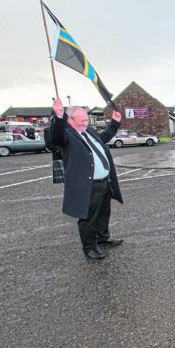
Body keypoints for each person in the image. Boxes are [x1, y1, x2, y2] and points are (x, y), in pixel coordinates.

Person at [49, 98, 124, 260]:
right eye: (82, 120)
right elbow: (55, 136)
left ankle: (103, 237)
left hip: (104, 181)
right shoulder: (66, 135)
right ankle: (89, 247)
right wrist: (58, 115)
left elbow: (103, 138)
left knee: (104, 212)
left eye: (86, 120)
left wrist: (114, 124)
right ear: (70, 119)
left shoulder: (88, 131)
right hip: (87, 184)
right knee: (88, 217)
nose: (85, 122)